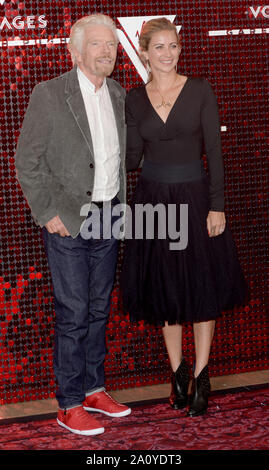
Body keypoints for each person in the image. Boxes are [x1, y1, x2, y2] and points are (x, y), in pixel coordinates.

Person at [121, 18, 249, 417]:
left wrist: (218, 205)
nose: (167, 53)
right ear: (144, 51)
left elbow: (215, 150)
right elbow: (130, 159)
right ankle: (177, 373)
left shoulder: (199, 91)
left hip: (195, 197)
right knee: (165, 287)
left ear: (179, 49)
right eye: (158, 47)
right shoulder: (133, 99)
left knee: (201, 285)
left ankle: (202, 373)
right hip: (152, 201)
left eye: (172, 46)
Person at [15, 14, 131, 436]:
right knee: (74, 312)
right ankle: (67, 403)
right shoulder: (49, 94)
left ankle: (93, 388)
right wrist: (48, 213)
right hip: (68, 221)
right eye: (98, 44)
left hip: (110, 215)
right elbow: (26, 160)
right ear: (75, 51)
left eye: (112, 45)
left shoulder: (118, 93)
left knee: (100, 309)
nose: (107, 51)